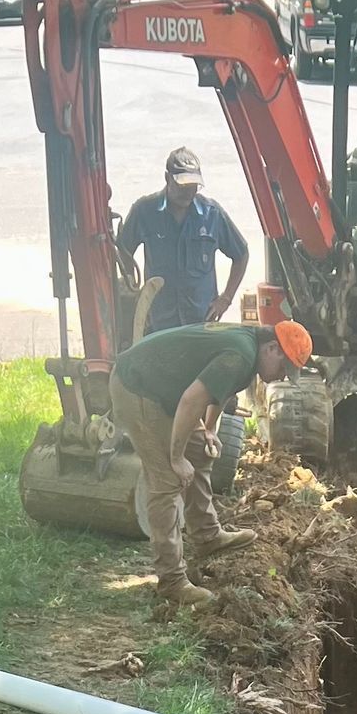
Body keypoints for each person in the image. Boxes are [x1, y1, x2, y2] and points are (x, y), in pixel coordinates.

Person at [109, 316, 314, 609]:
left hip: (160, 386)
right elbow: (191, 400)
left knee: (200, 450)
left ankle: (206, 535)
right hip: (137, 386)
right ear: (272, 348)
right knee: (166, 479)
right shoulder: (241, 355)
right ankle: (172, 581)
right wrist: (176, 458)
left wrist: (208, 429)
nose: (282, 376)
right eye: (284, 368)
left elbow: (219, 391)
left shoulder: (249, 350)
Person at [116, 148, 251, 334]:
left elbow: (241, 254)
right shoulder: (144, 211)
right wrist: (133, 289)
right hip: (159, 322)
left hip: (201, 323)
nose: (188, 192)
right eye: (183, 186)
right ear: (167, 178)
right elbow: (123, 249)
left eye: (193, 186)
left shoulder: (212, 214)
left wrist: (226, 299)